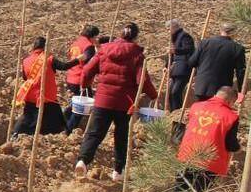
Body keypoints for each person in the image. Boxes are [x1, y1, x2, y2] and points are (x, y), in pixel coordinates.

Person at [75, 22, 158, 182]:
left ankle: (83, 161)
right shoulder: (137, 54)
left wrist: (85, 85)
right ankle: (118, 171)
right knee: (121, 136)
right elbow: (142, 80)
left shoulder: (105, 49)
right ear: (135, 37)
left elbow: (86, 71)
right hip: (124, 103)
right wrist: (153, 95)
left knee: (94, 133)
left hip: (103, 100)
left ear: (120, 35)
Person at [175, 85, 240, 192]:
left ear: (216, 95)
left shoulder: (196, 106)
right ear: (230, 101)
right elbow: (230, 144)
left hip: (186, 155)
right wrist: (237, 148)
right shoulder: (231, 117)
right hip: (209, 162)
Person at [11, 37, 78, 138]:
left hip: (31, 95)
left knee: (29, 116)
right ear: (45, 47)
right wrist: (78, 60)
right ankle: (61, 133)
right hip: (46, 95)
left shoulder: (26, 61)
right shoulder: (49, 59)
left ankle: (16, 133)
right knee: (55, 118)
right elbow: (64, 66)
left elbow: (25, 78)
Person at [188, 23, 246, 101]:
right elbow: (240, 72)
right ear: (234, 33)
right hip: (222, 90)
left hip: (202, 85)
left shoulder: (204, 43)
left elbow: (192, 62)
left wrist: (200, 73)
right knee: (217, 111)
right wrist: (240, 90)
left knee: (203, 111)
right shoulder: (237, 48)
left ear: (220, 30)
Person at [64, 25, 101, 133]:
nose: (96, 40)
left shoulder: (76, 43)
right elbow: (90, 65)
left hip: (71, 77)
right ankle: (68, 130)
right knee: (82, 107)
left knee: (76, 103)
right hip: (80, 79)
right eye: (96, 37)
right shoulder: (88, 46)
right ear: (92, 36)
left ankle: (62, 122)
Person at [165, 19, 195, 112]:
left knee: (176, 92)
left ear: (173, 27)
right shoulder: (175, 38)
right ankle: (173, 113)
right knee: (170, 93)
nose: (167, 31)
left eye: (168, 28)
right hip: (176, 69)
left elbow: (189, 49)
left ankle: (177, 113)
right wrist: (167, 66)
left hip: (183, 69)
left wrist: (176, 50)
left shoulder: (184, 36)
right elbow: (172, 55)